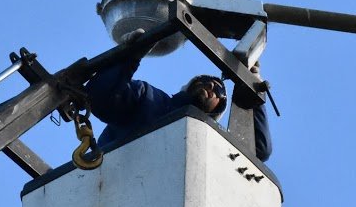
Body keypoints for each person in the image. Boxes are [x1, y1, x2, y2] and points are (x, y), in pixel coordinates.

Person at [85, 30, 272, 162]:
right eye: (205, 80)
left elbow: (256, 152)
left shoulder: (212, 141)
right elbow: (103, 97)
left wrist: (252, 90)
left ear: (217, 110)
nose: (211, 86)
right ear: (189, 86)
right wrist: (129, 57)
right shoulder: (148, 99)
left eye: (220, 91)